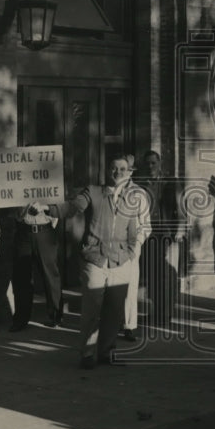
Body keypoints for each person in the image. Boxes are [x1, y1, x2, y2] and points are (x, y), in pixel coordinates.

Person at [62, 154, 150, 369]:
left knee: (114, 309)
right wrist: (49, 208)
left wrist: (131, 252)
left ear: (129, 173)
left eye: (121, 169)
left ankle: (107, 352)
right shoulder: (93, 191)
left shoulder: (135, 196)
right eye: (113, 168)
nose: (116, 173)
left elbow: (139, 227)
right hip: (95, 258)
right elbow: (73, 207)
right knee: (92, 307)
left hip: (121, 260)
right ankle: (87, 353)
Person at [136, 149, 184, 328]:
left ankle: (166, 316)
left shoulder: (171, 183)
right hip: (148, 235)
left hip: (168, 235)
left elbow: (181, 209)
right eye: (147, 163)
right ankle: (155, 312)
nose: (150, 167)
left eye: (153, 163)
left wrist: (179, 230)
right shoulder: (140, 185)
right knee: (152, 275)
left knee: (167, 276)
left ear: (160, 163)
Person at [5, 200, 63, 332]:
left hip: (45, 231)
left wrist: (48, 214)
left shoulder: (48, 180)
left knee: (51, 275)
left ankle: (56, 316)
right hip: (24, 231)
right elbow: (11, 207)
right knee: (22, 276)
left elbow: (59, 202)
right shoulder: (18, 183)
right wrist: (25, 208)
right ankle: (21, 319)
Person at [121, 154, 142, 341]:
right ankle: (110, 323)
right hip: (110, 245)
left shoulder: (138, 193)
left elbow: (145, 224)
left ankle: (129, 326)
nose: (121, 173)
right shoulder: (107, 190)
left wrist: (137, 244)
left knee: (130, 286)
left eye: (125, 170)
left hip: (130, 246)